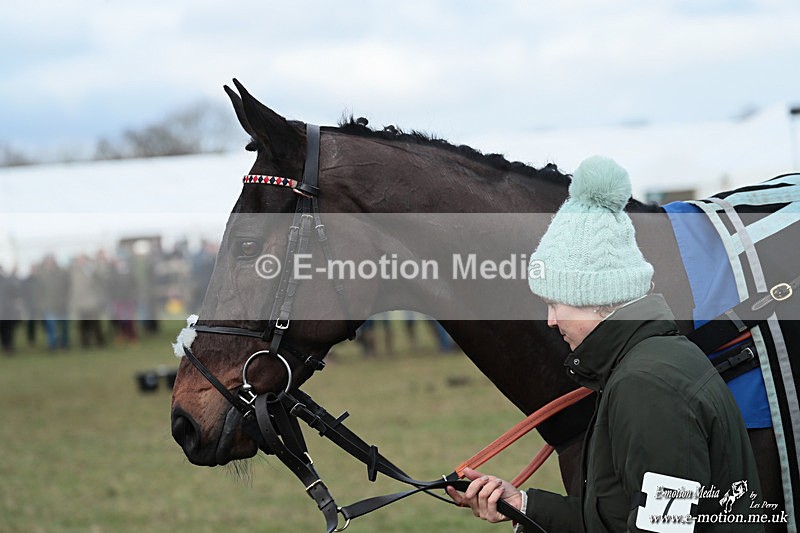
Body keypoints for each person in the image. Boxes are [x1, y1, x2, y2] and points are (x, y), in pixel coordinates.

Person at [447, 156, 764, 532]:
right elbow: (617, 519)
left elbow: (664, 529)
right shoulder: (644, 365)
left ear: (596, 299)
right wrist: (523, 505)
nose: (550, 320)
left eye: (554, 304)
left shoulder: (648, 384)